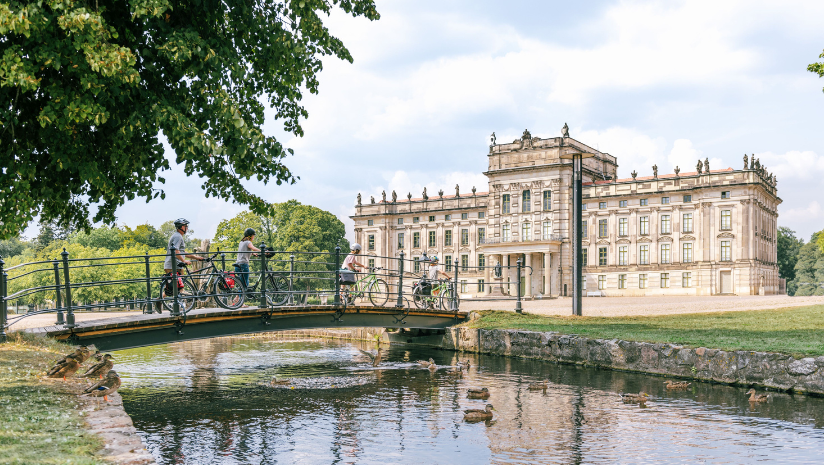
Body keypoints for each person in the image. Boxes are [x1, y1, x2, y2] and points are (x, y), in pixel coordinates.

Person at [162, 219, 206, 309]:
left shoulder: (178, 236)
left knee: (179, 286)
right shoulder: (178, 236)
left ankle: (179, 302)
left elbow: (182, 252)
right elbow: (176, 251)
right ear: (181, 227)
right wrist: (184, 261)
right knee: (172, 287)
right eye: (186, 226)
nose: (187, 228)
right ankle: (160, 300)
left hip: (177, 265)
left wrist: (196, 257)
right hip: (172, 265)